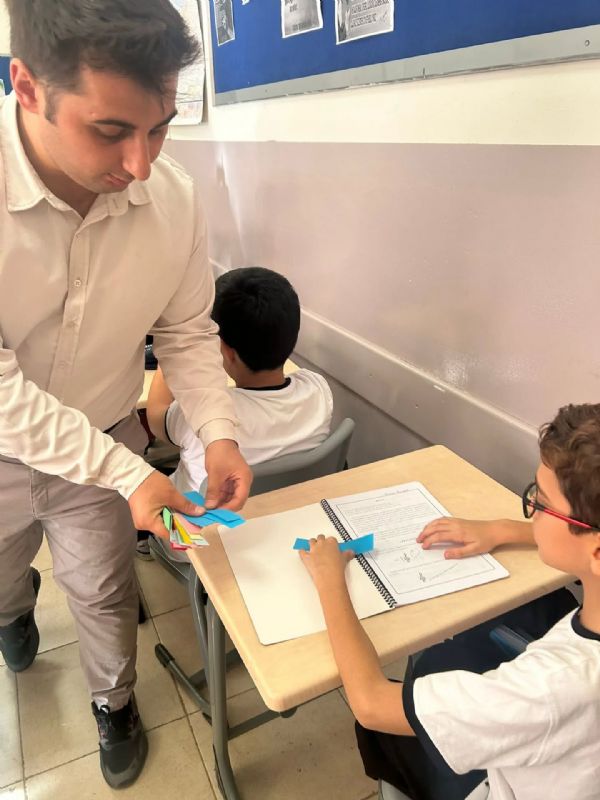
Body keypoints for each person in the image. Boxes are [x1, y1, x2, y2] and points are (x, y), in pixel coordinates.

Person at [0, 0, 252, 789]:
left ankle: (114, 703)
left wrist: (219, 433)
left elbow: (185, 331)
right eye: (111, 130)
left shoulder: (171, 198)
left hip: (107, 438)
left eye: (161, 128)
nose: (140, 164)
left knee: (106, 590)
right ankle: (12, 607)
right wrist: (132, 475)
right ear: (27, 86)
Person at [300, 403, 600, 800]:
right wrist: (503, 529)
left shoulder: (548, 689)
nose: (531, 512)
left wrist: (329, 581)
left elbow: (371, 703)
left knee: (388, 723)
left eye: (541, 504)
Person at [144, 267, 333, 549]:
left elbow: (156, 415)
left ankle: (148, 548)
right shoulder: (319, 390)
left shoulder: (202, 416)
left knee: (144, 496)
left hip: (196, 543)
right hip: (285, 528)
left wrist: (179, 350)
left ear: (224, 351)